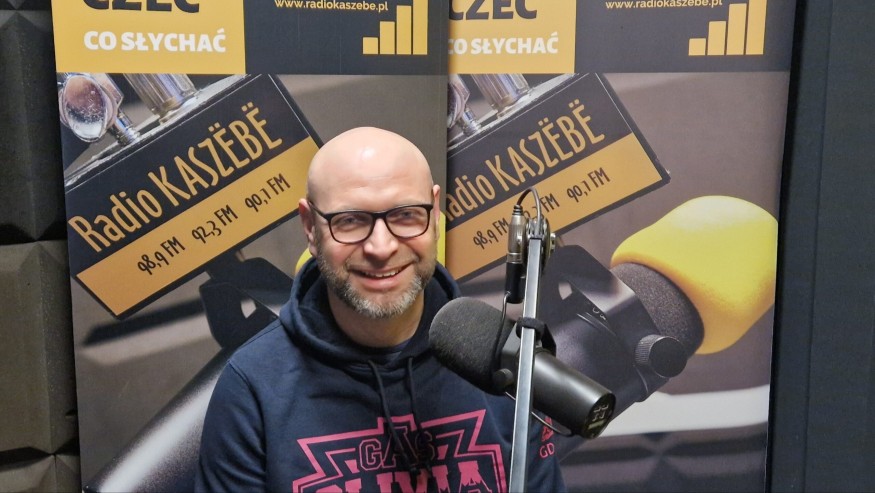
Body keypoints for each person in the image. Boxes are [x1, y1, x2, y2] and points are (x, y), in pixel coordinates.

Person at [195, 127, 565, 492]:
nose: (381, 247)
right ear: (309, 227)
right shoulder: (251, 386)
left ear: (435, 213)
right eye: (350, 220)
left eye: (406, 215)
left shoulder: (503, 362)